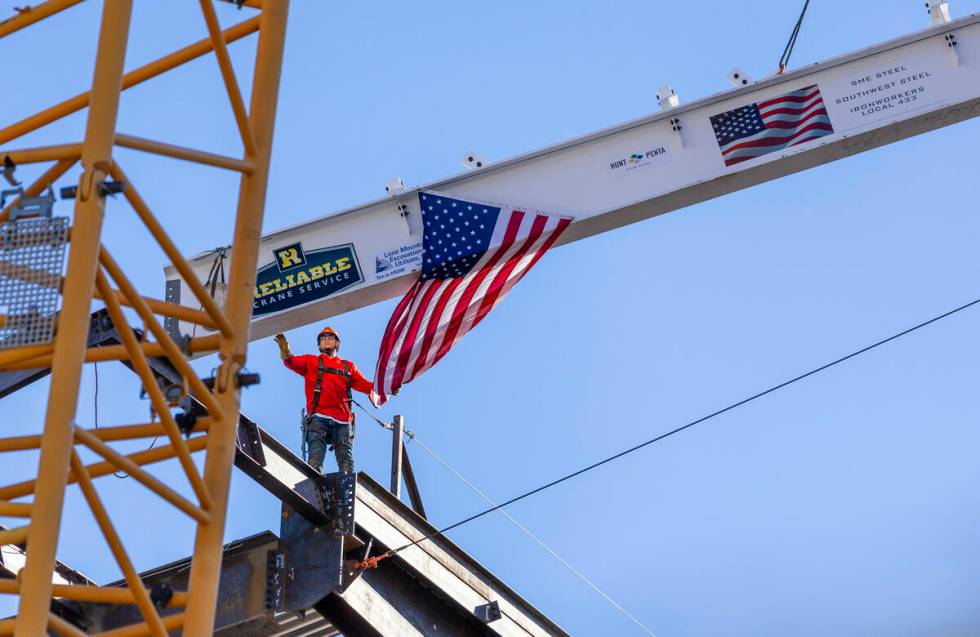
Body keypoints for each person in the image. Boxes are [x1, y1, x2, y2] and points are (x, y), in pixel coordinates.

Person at [274, 326, 379, 474]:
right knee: (315, 460)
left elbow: (366, 386)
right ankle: (312, 488)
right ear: (319, 345)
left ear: (337, 344)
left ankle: (346, 489)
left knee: (346, 463)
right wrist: (285, 350)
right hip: (319, 419)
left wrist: (387, 387)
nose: (326, 340)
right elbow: (291, 362)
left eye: (331, 337)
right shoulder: (311, 361)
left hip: (342, 421)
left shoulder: (348, 366)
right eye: (323, 338)